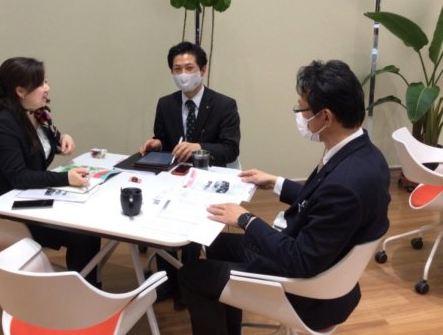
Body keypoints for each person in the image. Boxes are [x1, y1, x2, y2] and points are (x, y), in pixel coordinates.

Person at [178, 59, 391, 335]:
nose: (300, 116)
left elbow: (300, 259)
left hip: (309, 292)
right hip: (322, 262)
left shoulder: (345, 184)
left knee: (192, 275)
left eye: (302, 109)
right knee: (217, 244)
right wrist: (276, 183)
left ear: (325, 117)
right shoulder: (365, 154)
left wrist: (246, 219)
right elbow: (322, 204)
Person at [0, 57, 101, 285]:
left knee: (87, 226)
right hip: (10, 210)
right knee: (83, 233)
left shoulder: (37, 113)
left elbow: (43, 145)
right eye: (40, 84)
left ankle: (88, 288)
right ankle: (82, 293)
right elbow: (20, 176)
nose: (47, 88)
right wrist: (66, 178)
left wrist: (62, 138)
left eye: (46, 81)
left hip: (31, 196)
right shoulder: (4, 125)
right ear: (20, 91)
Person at [139, 41, 241, 309]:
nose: (183, 74)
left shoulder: (224, 105)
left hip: (207, 178)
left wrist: (199, 147)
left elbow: (230, 149)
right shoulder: (166, 104)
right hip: (173, 176)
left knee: (189, 229)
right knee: (161, 217)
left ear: (203, 70)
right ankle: (166, 280)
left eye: (189, 68)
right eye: (177, 69)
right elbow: (164, 138)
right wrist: (156, 144)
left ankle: (187, 282)